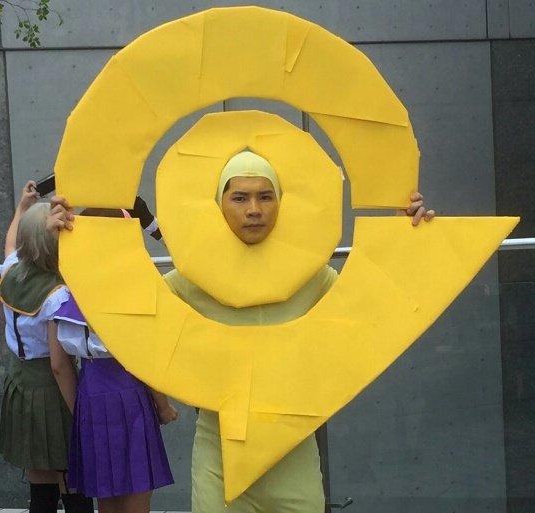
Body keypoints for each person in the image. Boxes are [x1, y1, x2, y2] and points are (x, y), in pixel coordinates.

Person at [48, 151, 435, 513]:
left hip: (294, 450)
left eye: (266, 196)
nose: (254, 209)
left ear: (281, 203)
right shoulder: (191, 280)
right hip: (218, 452)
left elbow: (377, 304)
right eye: (240, 198)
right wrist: (70, 239)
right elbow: (116, 314)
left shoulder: (311, 275)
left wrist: (407, 235)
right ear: (219, 205)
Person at [49, 206, 177, 513]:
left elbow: (59, 366)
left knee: (106, 498)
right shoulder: (137, 292)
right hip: (131, 394)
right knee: (137, 492)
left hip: (89, 397)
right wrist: (162, 405)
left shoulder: (61, 296)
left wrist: (80, 409)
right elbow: (144, 359)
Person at [0, 181, 93, 513]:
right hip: (52, 391)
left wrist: (22, 207)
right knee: (71, 475)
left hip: (18, 381)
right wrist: (80, 413)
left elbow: (11, 243)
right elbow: (59, 365)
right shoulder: (57, 295)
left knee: (39, 473)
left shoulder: (11, 271)